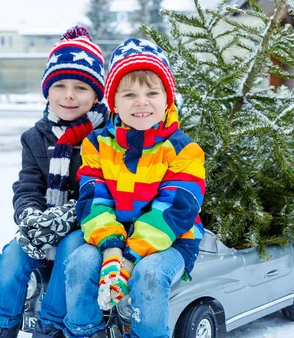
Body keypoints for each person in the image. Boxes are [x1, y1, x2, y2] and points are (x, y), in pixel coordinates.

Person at [63, 38, 206, 338]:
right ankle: (84, 332)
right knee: (79, 262)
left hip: (171, 239)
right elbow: (93, 200)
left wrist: (127, 261)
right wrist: (111, 250)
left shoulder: (184, 150)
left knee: (149, 275)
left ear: (168, 99)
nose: (141, 102)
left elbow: (174, 210)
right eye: (129, 94)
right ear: (113, 102)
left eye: (152, 92)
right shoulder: (97, 144)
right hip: (113, 236)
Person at [0, 26, 109, 338]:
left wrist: (62, 218)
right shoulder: (35, 137)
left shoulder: (106, 138)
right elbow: (28, 185)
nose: (69, 95)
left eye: (81, 87)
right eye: (60, 85)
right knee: (12, 255)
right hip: (41, 224)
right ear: (47, 90)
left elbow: (101, 193)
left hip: (86, 225)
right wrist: (30, 216)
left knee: (70, 248)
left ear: (96, 95)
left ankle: (49, 327)